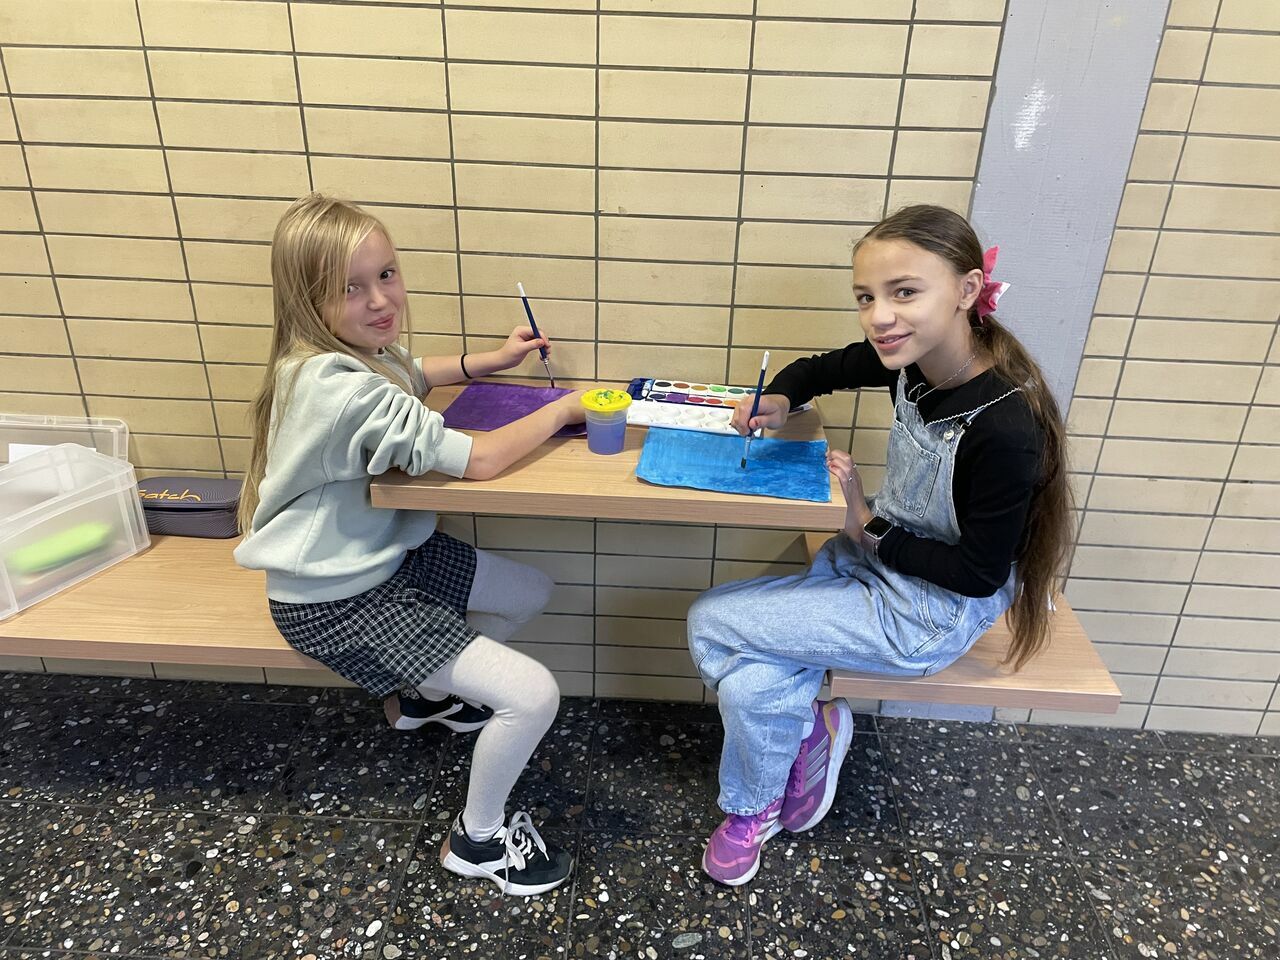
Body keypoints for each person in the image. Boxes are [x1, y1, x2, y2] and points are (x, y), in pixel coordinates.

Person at [687, 204, 1072, 885]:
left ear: (967, 291)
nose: (880, 317)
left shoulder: (1006, 426)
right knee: (752, 680)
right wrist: (782, 399)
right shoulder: (912, 360)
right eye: (866, 297)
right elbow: (819, 369)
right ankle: (785, 770)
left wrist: (867, 525)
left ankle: (783, 761)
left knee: (711, 621)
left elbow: (979, 575)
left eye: (904, 292)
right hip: (871, 561)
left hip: (929, 612)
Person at [234, 193, 583, 896]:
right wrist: (567, 407)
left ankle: (425, 697)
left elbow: (413, 371)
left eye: (386, 275)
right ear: (306, 299)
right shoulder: (339, 388)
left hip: (383, 558)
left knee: (530, 591)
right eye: (350, 288)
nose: (379, 300)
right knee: (533, 696)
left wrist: (495, 359)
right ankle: (478, 841)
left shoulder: (341, 357)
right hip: (335, 600)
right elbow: (480, 460)